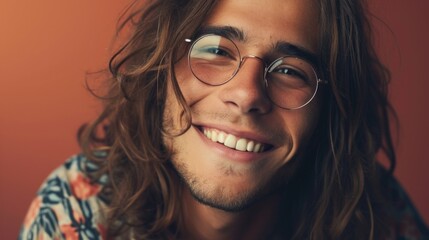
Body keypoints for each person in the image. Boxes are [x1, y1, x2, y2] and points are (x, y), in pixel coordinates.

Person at [19, 0, 429, 239]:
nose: (247, 94)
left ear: (330, 110)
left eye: (290, 71)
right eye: (215, 49)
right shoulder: (77, 211)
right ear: (159, 66)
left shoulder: (380, 219)